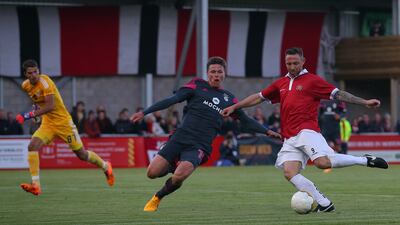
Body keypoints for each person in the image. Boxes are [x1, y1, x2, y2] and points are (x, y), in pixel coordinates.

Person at [221, 47, 388, 213]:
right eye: (288, 63)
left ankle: (364, 160)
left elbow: (339, 94)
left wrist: (365, 102)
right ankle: (324, 203)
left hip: (307, 131)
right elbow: (258, 97)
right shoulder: (282, 83)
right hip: (289, 136)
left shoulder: (312, 80)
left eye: (295, 63)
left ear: (303, 61)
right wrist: (235, 107)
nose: (292, 66)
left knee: (322, 163)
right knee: (289, 172)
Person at [130, 56, 281, 212]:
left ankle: (157, 197)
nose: (216, 75)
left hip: (199, 145)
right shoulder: (196, 85)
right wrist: (145, 112)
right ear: (207, 73)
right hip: (180, 137)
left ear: (224, 74)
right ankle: (172, 165)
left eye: (219, 72)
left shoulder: (228, 99)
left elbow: (245, 120)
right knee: (152, 173)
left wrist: (267, 131)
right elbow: (172, 99)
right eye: (213, 71)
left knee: (181, 174)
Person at [16, 59, 114, 196]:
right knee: (32, 146)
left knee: (81, 154)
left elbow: (50, 106)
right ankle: (36, 185)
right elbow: (38, 102)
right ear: (25, 74)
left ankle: (105, 166)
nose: (34, 75)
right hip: (48, 124)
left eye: (35, 72)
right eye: (30, 73)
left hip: (64, 124)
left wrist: (27, 115)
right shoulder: (25, 85)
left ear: (39, 71)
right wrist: (36, 114)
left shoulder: (45, 82)